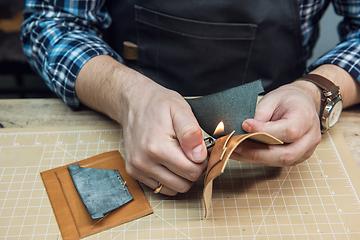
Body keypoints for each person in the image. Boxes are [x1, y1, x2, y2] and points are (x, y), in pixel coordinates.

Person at [21, 0, 360, 196]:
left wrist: (314, 90)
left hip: (280, 129)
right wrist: (127, 97)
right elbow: (52, 21)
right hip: (117, 116)